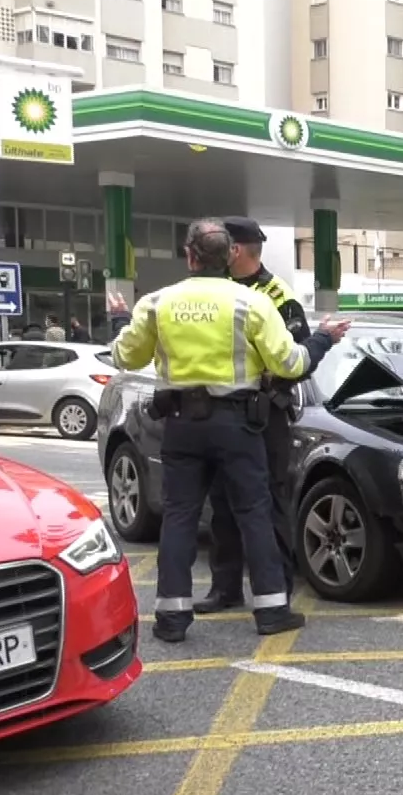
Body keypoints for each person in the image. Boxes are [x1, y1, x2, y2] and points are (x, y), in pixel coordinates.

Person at [111, 218, 345, 642]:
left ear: (189, 256)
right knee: (254, 512)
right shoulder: (251, 303)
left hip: (181, 424)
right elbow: (289, 365)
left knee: (179, 516)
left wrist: (119, 322)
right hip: (238, 424)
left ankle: (171, 618)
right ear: (230, 255)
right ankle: (272, 610)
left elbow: (126, 357)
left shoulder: (159, 303)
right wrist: (323, 340)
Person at [192, 217, 321, 614]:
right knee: (223, 503)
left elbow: (298, 360)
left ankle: (277, 590)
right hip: (220, 414)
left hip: (265, 417)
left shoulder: (277, 294)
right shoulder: (217, 290)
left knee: (270, 503)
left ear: (234, 250)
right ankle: (225, 587)